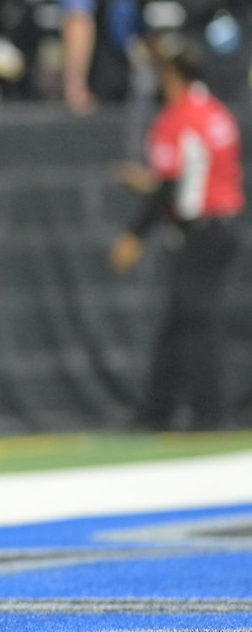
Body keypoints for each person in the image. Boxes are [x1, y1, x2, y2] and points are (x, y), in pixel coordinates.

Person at [109, 45, 245, 432]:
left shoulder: (177, 118)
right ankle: (159, 412)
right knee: (180, 321)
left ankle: (210, 414)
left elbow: (172, 187)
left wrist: (133, 236)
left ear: (172, 76)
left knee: (196, 322)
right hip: (224, 225)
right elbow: (201, 174)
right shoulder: (217, 113)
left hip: (199, 231)